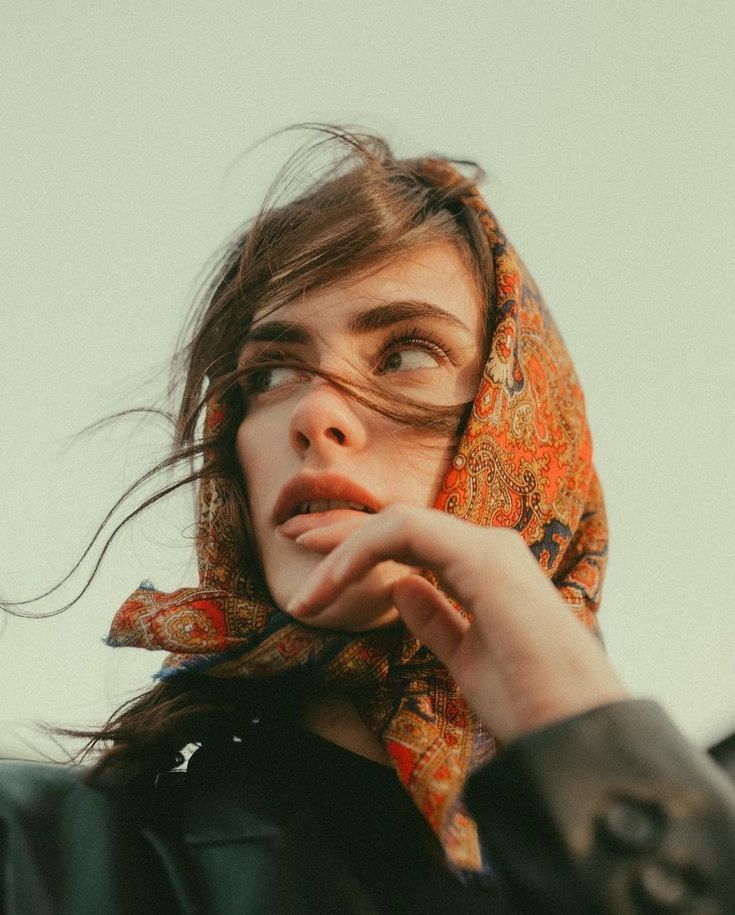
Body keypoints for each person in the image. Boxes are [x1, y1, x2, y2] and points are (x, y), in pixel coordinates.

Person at [1, 126, 734, 914]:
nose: (314, 412)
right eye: (271, 372)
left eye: (405, 352)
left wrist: (579, 726)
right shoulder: (42, 855)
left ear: (527, 426)